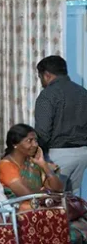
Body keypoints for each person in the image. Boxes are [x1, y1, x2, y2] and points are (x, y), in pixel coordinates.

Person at [34, 55, 87, 193]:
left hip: (59, 154)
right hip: (83, 153)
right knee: (70, 197)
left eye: (40, 77)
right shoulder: (83, 92)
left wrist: (36, 154)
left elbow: (43, 131)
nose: (41, 82)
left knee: (52, 196)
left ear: (46, 75)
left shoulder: (48, 95)